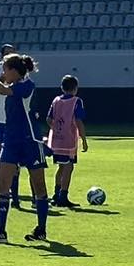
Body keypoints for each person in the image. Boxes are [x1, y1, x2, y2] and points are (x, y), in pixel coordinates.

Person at [0, 52, 51, 244]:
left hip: (31, 141)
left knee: (38, 185)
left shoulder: (27, 86)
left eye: (5, 69)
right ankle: (1, 231)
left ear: (14, 70)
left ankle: (41, 229)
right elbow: (0, 89)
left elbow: (2, 90)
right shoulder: (13, 86)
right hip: (11, 140)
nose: (3, 72)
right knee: (3, 185)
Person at [0, 44, 22, 211]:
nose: (10, 55)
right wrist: (1, 76)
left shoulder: (19, 70)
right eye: (7, 53)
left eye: (12, 53)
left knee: (11, 150)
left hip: (9, 116)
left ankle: (12, 187)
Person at [45, 75, 88, 206]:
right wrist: (84, 139)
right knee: (68, 168)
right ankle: (63, 196)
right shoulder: (76, 101)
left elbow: (48, 119)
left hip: (56, 141)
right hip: (68, 142)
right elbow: (79, 121)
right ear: (75, 88)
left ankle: (56, 195)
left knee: (61, 167)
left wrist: (56, 129)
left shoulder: (56, 100)